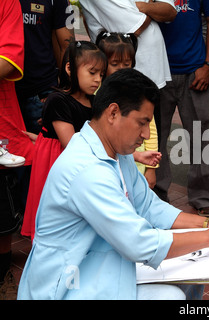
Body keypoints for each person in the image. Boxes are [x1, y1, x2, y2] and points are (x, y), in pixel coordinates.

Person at [17, 68, 209, 300]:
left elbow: (149, 206)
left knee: (192, 277)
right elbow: (138, 243)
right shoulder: (86, 169)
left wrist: (207, 224)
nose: (146, 134)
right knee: (170, 297)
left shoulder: (116, 152)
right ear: (113, 113)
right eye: (142, 123)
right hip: (67, 285)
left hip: (97, 264)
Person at [21, 41, 108, 241]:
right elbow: (71, 143)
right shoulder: (58, 100)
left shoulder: (94, 101)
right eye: (92, 72)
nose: (97, 79)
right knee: (56, 215)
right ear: (69, 68)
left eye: (101, 75)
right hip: (58, 161)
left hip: (81, 159)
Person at [154, 0, 209, 216]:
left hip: (195, 72)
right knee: (154, 136)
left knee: (203, 136)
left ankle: (205, 196)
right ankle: (156, 194)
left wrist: (208, 65)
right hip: (156, 70)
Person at [79, 0, 177, 148]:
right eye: (116, 63)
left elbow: (170, 12)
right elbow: (135, 27)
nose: (121, 66)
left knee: (149, 133)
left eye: (125, 63)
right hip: (123, 84)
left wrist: (144, 7)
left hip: (152, 76)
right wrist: (151, 6)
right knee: (124, 139)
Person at [95, 30, 161, 188]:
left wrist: (151, 168)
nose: (122, 69)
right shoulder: (97, 93)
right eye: (115, 64)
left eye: (127, 64)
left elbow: (151, 130)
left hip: (138, 164)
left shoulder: (139, 92)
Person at [0, 0, 35, 289]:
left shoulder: (7, 2)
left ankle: (3, 278)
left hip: (1, 129)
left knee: (1, 218)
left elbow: (7, 59)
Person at [16, 0, 75, 135]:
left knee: (44, 151)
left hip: (41, 92)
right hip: (6, 91)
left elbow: (67, 46)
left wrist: (64, 91)